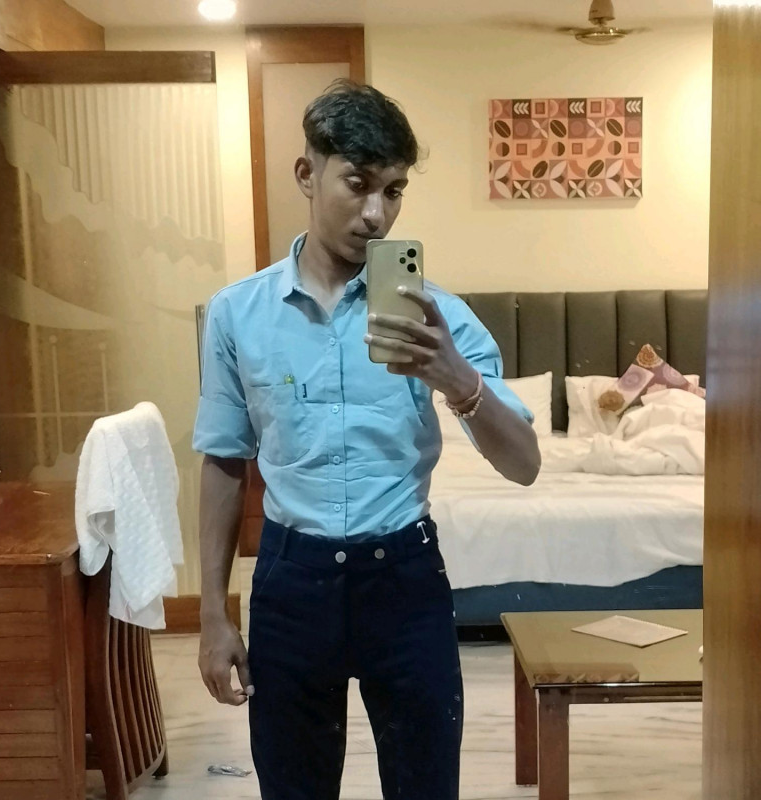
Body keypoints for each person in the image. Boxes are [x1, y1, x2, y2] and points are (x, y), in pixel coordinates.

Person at [193, 80, 541, 800]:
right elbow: (224, 461)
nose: (376, 214)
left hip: (403, 582)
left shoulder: (437, 317)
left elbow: (525, 465)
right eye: (358, 183)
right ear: (307, 173)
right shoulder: (237, 315)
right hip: (290, 584)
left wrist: (456, 378)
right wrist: (211, 613)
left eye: (394, 190)